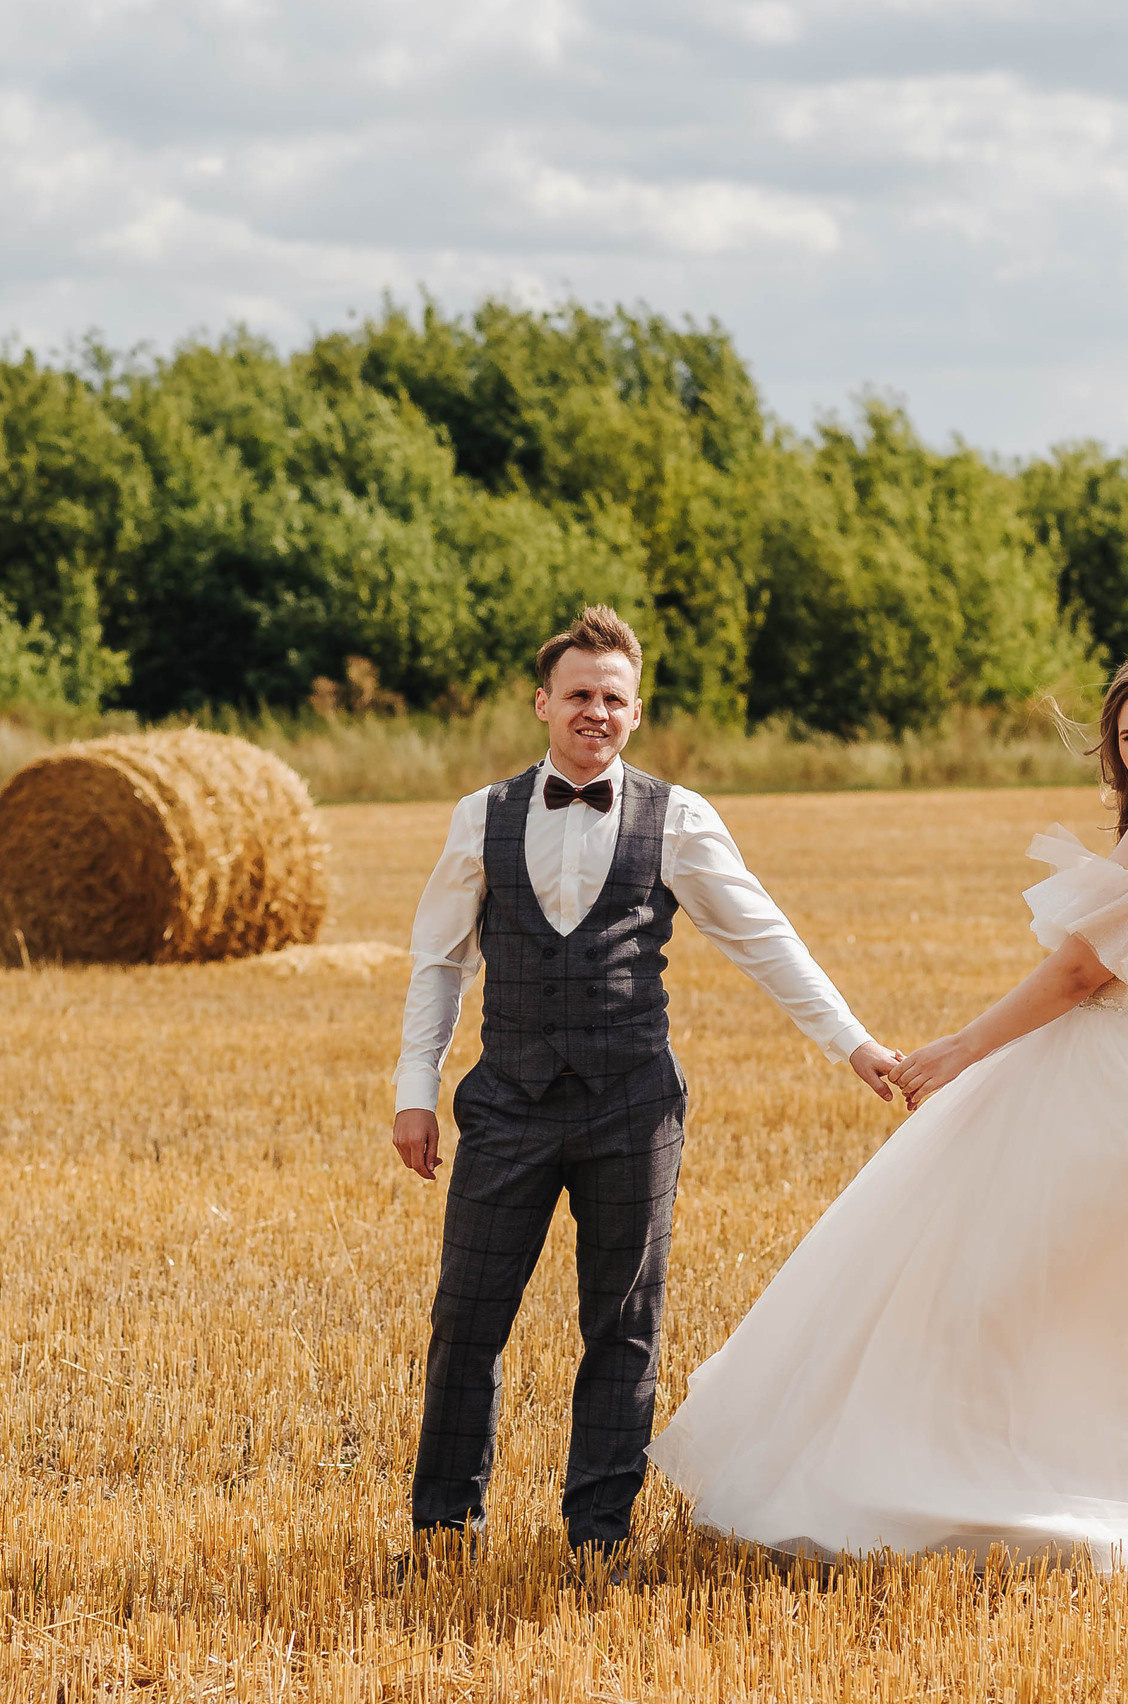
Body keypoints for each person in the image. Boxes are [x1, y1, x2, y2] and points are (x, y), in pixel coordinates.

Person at [643, 647, 1128, 1572]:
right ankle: (1125, 1476)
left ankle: (980, 1483)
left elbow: (1077, 974)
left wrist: (957, 1051)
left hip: (1119, 1090)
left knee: (994, 1283)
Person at [391, 605, 902, 1568]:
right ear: (544, 704)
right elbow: (438, 963)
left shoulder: (681, 817)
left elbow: (764, 940)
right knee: (465, 1317)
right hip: (506, 1102)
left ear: (636, 711)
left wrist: (852, 1043)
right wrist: (415, 1089)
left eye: (612, 698)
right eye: (578, 694)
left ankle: (598, 1537)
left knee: (621, 1323)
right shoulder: (482, 815)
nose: (595, 711)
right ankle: (442, 1531)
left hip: (635, 1103)